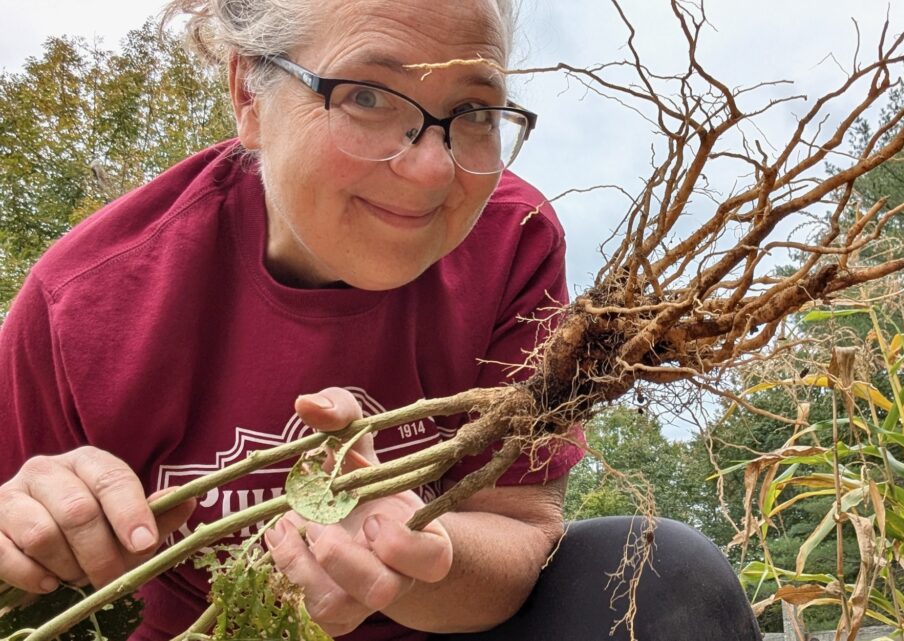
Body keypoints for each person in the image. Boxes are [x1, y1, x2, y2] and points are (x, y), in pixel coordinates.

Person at [0, 1, 762, 639]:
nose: (433, 168)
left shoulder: (513, 240)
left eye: (473, 111)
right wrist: (30, 526)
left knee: (665, 574)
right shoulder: (86, 301)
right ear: (248, 96)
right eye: (366, 95)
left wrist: (420, 554)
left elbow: (523, 524)